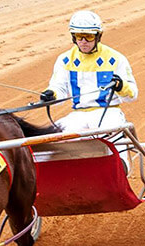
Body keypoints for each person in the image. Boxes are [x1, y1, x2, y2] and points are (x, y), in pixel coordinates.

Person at [40, 11, 138, 163]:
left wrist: (121, 86)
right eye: (79, 36)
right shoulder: (65, 60)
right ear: (74, 37)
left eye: (89, 36)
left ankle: (121, 169)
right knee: (51, 140)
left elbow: (132, 95)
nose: (84, 41)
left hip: (108, 112)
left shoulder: (115, 59)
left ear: (98, 36)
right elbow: (58, 89)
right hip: (78, 115)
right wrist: (51, 95)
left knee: (111, 131)